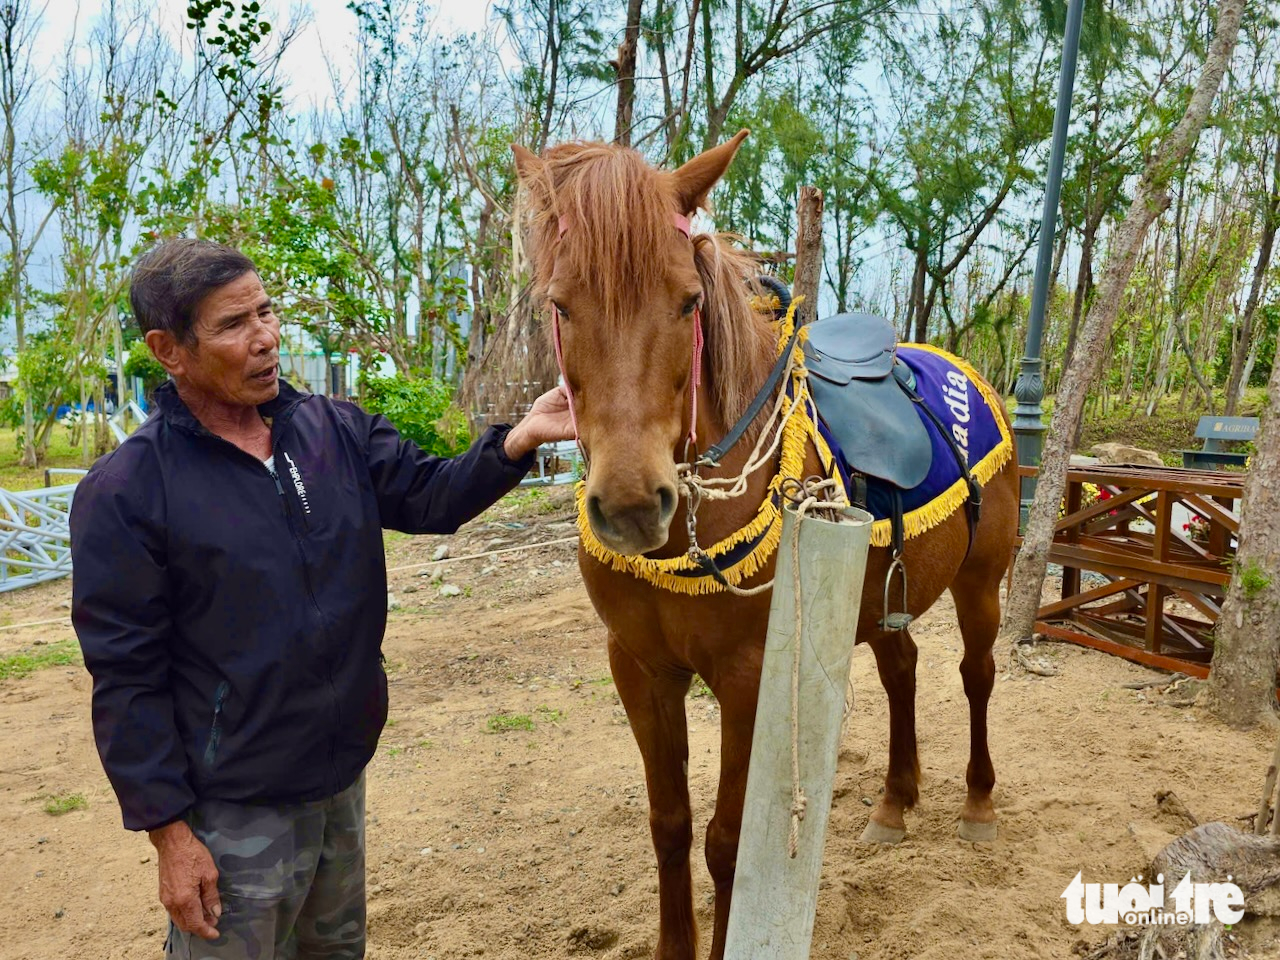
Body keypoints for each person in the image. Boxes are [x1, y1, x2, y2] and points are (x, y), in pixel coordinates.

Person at [69, 239, 574, 959]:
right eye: (233, 325)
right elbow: (126, 676)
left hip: (339, 782)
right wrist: (170, 837)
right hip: (233, 809)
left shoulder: (332, 431)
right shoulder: (128, 491)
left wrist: (519, 440)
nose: (266, 337)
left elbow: (430, 496)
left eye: (266, 312)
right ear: (168, 350)